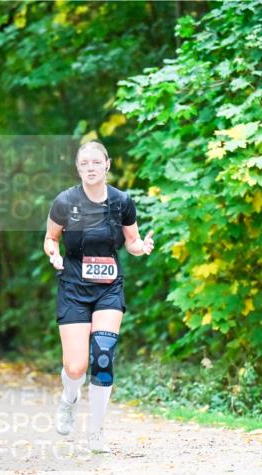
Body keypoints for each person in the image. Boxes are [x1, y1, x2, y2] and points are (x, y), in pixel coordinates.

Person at [43, 141, 154, 451]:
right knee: (75, 367)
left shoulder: (122, 202)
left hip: (109, 287)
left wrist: (141, 247)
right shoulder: (65, 202)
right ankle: (69, 399)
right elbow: (51, 238)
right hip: (74, 287)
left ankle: (95, 430)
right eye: (84, 163)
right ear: (78, 168)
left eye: (95, 162)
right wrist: (53, 254)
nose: (90, 168)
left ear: (107, 164)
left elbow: (131, 241)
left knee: (103, 356)